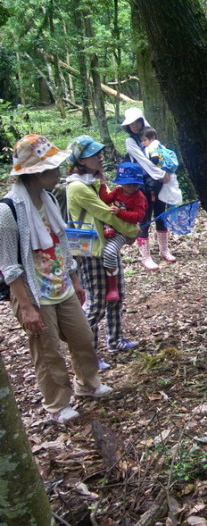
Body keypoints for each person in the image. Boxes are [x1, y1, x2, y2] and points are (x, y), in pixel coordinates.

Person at [0, 135, 112, 423]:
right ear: (36, 172)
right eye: (52, 167)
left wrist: (75, 278)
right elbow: (9, 266)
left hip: (61, 283)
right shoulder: (8, 210)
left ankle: (88, 384)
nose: (58, 172)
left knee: (83, 337)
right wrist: (26, 307)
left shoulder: (48, 198)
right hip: (33, 292)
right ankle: (57, 405)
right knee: (48, 352)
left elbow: (62, 241)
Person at [66, 135, 141, 361]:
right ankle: (88, 355)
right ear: (80, 160)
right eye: (93, 154)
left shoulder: (95, 182)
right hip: (91, 252)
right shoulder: (77, 187)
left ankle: (115, 340)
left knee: (116, 297)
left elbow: (111, 207)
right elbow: (105, 213)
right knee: (97, 304)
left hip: (107, 246)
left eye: (99, 153)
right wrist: (132, 231)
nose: (100, 157)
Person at [121, 107, 176, 270]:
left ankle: (164, 250)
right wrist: (161, 174)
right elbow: (143, 161)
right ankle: (145, 256)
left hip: (158, 183)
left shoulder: (150, 136)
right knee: (144, 217)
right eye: (131, 124)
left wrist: (166, 174)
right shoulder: (131, 141)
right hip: (142, 184)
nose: (134, 126)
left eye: (136, 122)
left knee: (161, 214)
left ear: (141, 121)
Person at [98, 162, 147, 302]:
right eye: (128, 184)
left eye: (135, 184)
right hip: (112, 226)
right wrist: (102, 184)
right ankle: (108, 228)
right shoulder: (118, 191)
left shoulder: (139, 197)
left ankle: (113, 286)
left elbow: (138, 216)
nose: (131, 187)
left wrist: (119, 212)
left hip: (124, 231)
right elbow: (105, 199)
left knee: (109, 252)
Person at [140, 127, 182, 206]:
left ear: (152, 138)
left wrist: (150, 168)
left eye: (145, 140)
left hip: (161, 173)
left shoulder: (152, 146)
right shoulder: (159, 144)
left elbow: (155, 159)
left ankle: (171, 209)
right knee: (170, 192)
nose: (143, 143)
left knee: (163, 195)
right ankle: (172, 208)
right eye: (142, 141)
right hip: (167, 171)